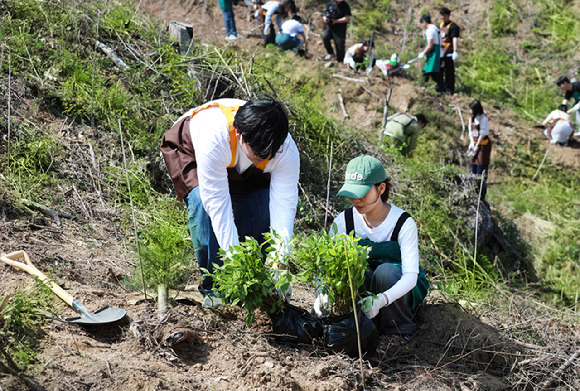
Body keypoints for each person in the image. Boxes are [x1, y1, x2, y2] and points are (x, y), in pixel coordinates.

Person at [160, 98, 300, 308]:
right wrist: (235, 262)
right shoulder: (214, 137)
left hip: (238, 164)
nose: (264, 157)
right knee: (202, 206)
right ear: (239, 134)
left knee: (262, 208)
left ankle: (255, 283)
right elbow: (218, 207)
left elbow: (283, 205)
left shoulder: (284, 150)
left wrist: (280, 261)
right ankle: (216, 288)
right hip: (193, 150)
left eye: (268, 154)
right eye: (258, 152)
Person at [316, 155, 428, 338]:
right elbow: (326, 268)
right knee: (354, 269)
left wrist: (380, 300)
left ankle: (397, 331)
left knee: (385, 272)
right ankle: (360, 324)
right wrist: (322, 292)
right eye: (352, 194)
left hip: (396, 291)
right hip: (364, 292)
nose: (356, 200)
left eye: (362, 193)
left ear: (381, 188)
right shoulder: (344, 221)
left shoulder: (402, 223)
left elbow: (410, 278)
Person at [467, 100, 492, 200]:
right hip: (475, 144)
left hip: (483, 146)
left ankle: (481, 193)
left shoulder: (483, 119)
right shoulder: (472, 119)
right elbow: (470, 132)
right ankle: (472, 190)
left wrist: (477, 145)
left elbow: (483, 133)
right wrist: (472, 144)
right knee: (472, 165)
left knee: (481, 167)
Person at [418, 14, 444, 93]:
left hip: (435, 55)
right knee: (435, 74)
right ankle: (442, 90)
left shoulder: (430, 30)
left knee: (426, 71)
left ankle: (421, 88)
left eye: (422, 24)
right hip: (439, 54)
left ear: (424, 22)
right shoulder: (436, 29)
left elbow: (430, 45)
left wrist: (423, 53)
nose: (422, 26)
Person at [439, 7, 460, 95]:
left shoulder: (453, 26)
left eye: (444, 16)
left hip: (449, 53)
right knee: (439, 71)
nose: (442, 18)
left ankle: (449, 89)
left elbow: (454, 38)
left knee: (449, 72)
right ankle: (441, 87)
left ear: (448, 15)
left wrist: (455, 51)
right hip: (441, 52)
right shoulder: (440, 25)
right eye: (441, 16)